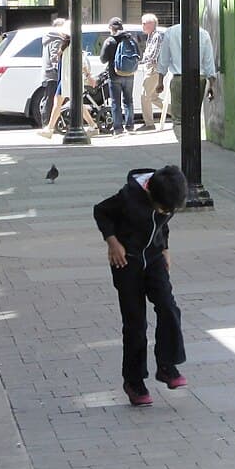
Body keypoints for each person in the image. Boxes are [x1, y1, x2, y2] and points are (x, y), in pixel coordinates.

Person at [93, 165, 189, 406]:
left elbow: (162, 223)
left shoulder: (169, 193)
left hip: (154, 258)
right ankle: (134, 380)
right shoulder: (128, 198)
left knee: (168, 307)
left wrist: (165, 248)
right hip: (127, 262)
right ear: (150, 195)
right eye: (164, 208)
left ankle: (166, 365)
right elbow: (101, 212)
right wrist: (112, 242)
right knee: (135, 323)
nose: (168, 212)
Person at [156, 21, 217, 141]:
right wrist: (212, 85)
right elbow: (209, 62)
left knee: (179, 119)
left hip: (179, 78)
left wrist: (160, 81)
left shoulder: (170, 32)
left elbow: (163, 60)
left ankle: (183, 145)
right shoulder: (203, 34)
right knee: (194, 116)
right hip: (199, 79)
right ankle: (193, 144)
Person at [99, 17, 140, 135]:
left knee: (115, 101)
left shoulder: (110, 41)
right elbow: (139, 55)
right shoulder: (131, 39)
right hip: (130, 74)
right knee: (128, 100)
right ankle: (130, 126)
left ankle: (118, 128)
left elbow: (102, 59)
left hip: (114, 74)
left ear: (111, 27)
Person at [136, 13, 166, 130]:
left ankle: (149, 124)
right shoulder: (151, 36)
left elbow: (154, 54)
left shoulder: (157, 36)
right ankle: (178, 113)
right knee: (153, 97)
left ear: (151, 24)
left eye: (144, 23)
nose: (142, 26)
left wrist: (143, 60)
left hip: (153, 68)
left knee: (145, 96)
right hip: (151, 68)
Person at [39, 19, 68, 130]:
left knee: (48, 99)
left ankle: (48, 124)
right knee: (52, 100)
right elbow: (55, 58)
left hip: (47, 73)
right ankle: (49, 125)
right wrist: (60, 70)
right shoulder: (57, 39)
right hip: (53, 74)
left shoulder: (48, 38)